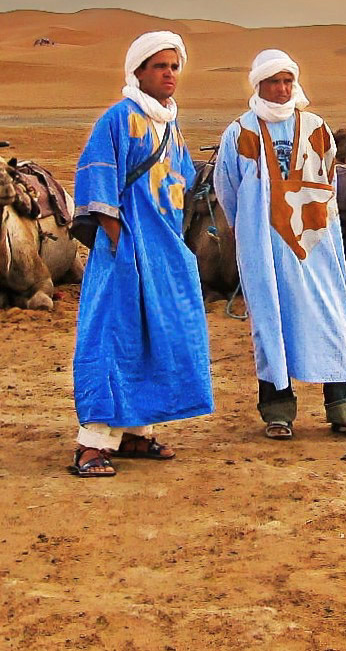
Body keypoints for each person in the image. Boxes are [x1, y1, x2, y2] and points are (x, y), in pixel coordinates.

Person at [214, 49, 346, 441]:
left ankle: (345, 410)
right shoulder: (240, 132)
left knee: (331, 317)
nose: (282, 88)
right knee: (272, 322)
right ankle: (278, 412)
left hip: (317, 244)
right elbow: (228, 190)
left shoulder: (317, 128)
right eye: (274, 81)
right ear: (259, 84)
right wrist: (255, 228)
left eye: (288, 80)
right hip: (263, 246)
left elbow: (330, 183)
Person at [68, 31, 214, 477]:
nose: (169, 74)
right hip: (127, 251)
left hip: (165, 252)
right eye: (159, 66)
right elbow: (97, 186)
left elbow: (182, 183)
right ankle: (92, 444)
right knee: (112, 338)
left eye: (173, 66)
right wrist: (120, 241)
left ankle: (136, 432)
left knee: (160, 337)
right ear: (138, 72)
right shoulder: (118, 118)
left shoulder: (169, 125)